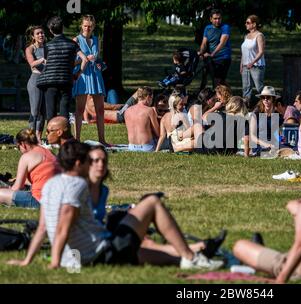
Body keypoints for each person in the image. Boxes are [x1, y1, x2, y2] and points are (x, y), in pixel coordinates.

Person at [7, 141, 223, 270]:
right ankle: (191, 256)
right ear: (81, 163)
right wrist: (55, 262)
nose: (97, 165)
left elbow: (45, 227)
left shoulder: (53, 185)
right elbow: (64, 223)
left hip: (90, 251)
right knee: (152, 202)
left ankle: (193, 253)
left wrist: (28, 261)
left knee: (135, 253)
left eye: (102, 161)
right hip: (95, 252)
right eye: (92, 161)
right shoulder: (76, 185)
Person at [36, 16, 87, 122]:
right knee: (64, 112)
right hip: (66, 80)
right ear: (63, 28)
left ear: (50, 30)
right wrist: (78, 73)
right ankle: (64, 135)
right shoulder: (72, 44)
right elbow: (85, 59)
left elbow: (47, 62)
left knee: (51, 112)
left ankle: (51, 136)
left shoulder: (47, 46)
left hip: (50, 81)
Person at [0, 129, 59, 208]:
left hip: (40, 200)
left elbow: (17, 188)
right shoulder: (49, 152)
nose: (20, 150)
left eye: (18, 147)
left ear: (23, 144)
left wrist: (8, 189)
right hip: (58, 199)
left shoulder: (26, 157)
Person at [72, 15, 108, 145]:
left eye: (90, 26)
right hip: (82, 75)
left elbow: (98, 57)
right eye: (85, 25)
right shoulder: (75, 40)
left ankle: (102, 139)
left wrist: (99, 63)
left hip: (95, 75)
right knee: (80, 110)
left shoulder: (96, 40)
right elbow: (71, 62)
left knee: (100, 110)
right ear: (81, 26)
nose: (87, 28)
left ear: (94, 27)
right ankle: (76, 139)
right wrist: (84, 58)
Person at [199, 9, 232, 89]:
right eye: (215, 18)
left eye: (219, 18)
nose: (217, 20)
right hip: (211, 58)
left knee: (218, 81)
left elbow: (222, 43)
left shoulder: (225, 27)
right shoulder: (207, 28)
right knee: (205, 76)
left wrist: (211, 54)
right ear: (210, 19)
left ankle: (222, 97)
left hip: (223, 57)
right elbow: (204, 43)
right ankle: (202, 95)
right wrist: (201, 53)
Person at [24, 25, 46, 143]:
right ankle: (29, 137)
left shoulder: (47, 47)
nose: (40, 35)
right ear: (33, 36)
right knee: (35, 111)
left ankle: (38, 137)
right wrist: (42, 60)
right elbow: (32, 63)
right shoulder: (30, 48)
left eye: (42, 33)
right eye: (37, 33)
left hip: (46, 80)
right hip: (35, 80)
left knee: (43, 112)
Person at [124, 86, 160, 152]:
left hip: (131, 147)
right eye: (152, 98)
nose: (152, 101)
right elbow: (158, 133)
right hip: (147, 147)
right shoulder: (149, 110)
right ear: (148, 97)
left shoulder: (127, 111)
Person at [250, 86, 282, 154]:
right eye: (263, 98)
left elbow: (277, 135)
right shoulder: (256, 114)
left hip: (273, 144)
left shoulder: (277, 115)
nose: (265, 100)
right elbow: (252, 136)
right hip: (259, 145)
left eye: (268, 97)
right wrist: (266, 145)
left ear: (273, 99)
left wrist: (280, 140)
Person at [241, 15, 265, 100]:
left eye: (248, 23)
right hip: (245, 66)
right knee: (246, 89)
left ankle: (268, 106)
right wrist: (241, 65)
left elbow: (261, 51)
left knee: (259, 88)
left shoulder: (259, 35)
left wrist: (252, 62)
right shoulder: (246, 36)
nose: (246, 24)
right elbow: (244, 52)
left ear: (254, 24)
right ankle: (246, 108)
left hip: (256, 66)